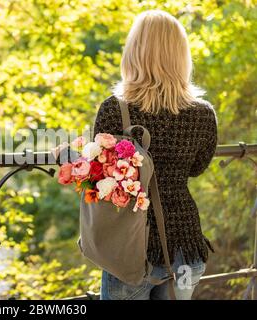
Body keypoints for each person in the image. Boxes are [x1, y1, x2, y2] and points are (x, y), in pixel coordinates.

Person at [93, 9, 218, 300]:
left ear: (134, 52)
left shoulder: (114, 109)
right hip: (185, 246)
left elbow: (102, 172)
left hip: (129, 249)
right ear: (181, 56)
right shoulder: (203, 114)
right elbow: (198, 167)